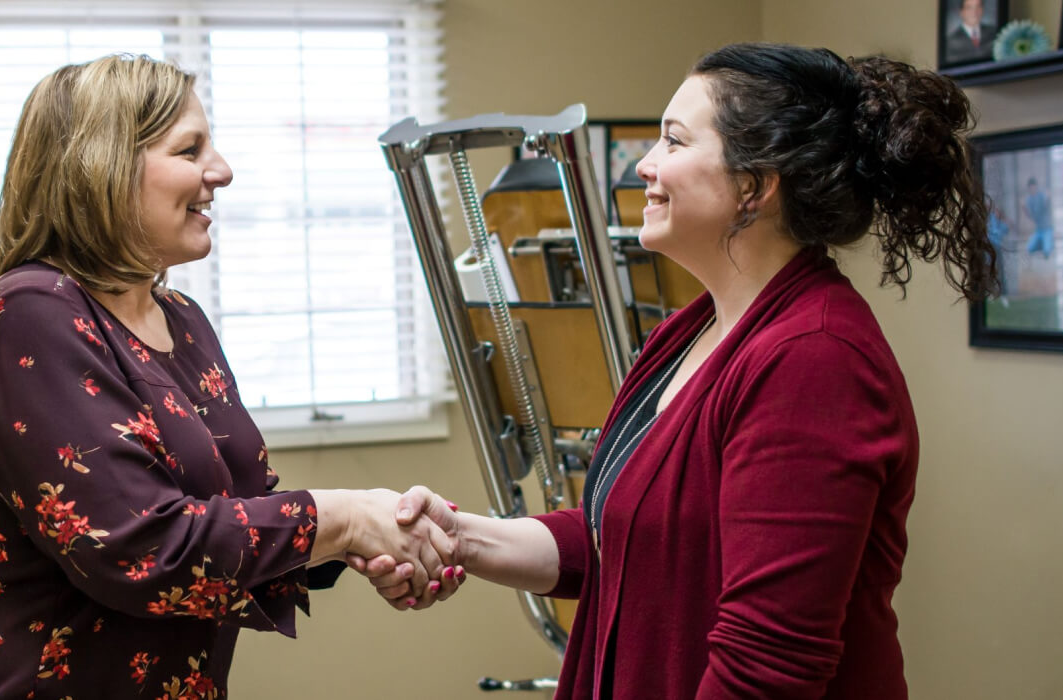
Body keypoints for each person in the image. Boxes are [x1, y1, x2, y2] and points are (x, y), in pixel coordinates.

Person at [354, 43, 998, 698]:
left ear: (755, 186)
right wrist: (457, 535)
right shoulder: (688, 331)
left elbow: (765, 670)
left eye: (674, 141)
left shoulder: (815, 361)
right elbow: (619, 537)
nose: (644, 164)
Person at [0, 54, 459, 699]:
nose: (222, 171)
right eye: (189, 149)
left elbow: (236, 515)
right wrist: (343, 520)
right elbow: (139, 549)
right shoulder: (30, 314)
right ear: (103, 168)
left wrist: (369, 543)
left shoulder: (180, 317)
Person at [945, 0, 997, 64]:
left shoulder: (994, 33)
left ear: (982, 10)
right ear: (961, 12)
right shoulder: (951, 41)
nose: (974, 12)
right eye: (969, 8)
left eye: (978, 7)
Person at [1024, 177, 1055, 259]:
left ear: (1036, 187)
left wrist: (1048, 198)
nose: (1032, 189)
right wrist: (1025, 211)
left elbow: (1045, 205)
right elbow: (1032, 216)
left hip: (1047, 228)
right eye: (1030, 187)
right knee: (1029, 248)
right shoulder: (1029, 200)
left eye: (1033, 187)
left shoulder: (1041, 196)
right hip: (1038, 230)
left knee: (1047, 250)